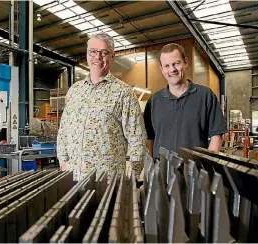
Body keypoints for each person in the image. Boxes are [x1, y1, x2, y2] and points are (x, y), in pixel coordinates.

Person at [57, 32, 147, 181]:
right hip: (73, 178)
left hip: (108, 183)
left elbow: (138, 139)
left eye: (103, 52)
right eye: (92, 51)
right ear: (87, 55)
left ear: (112, 57)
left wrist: (130, 178)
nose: (97, 57)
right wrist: (63, 162)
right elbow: (63, 132)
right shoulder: (74, 91)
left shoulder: (123, 93)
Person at [144, 43, 227, 159]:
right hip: (163, 174)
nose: (172, 69)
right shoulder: (154, 101)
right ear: (162, 69)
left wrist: (206, 167)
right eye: (167, 66)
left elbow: (217, 136)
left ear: (186, 62)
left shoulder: (205, 96)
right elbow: (149, 139)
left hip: (196, 172)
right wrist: (151, 170)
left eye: (176, 63)